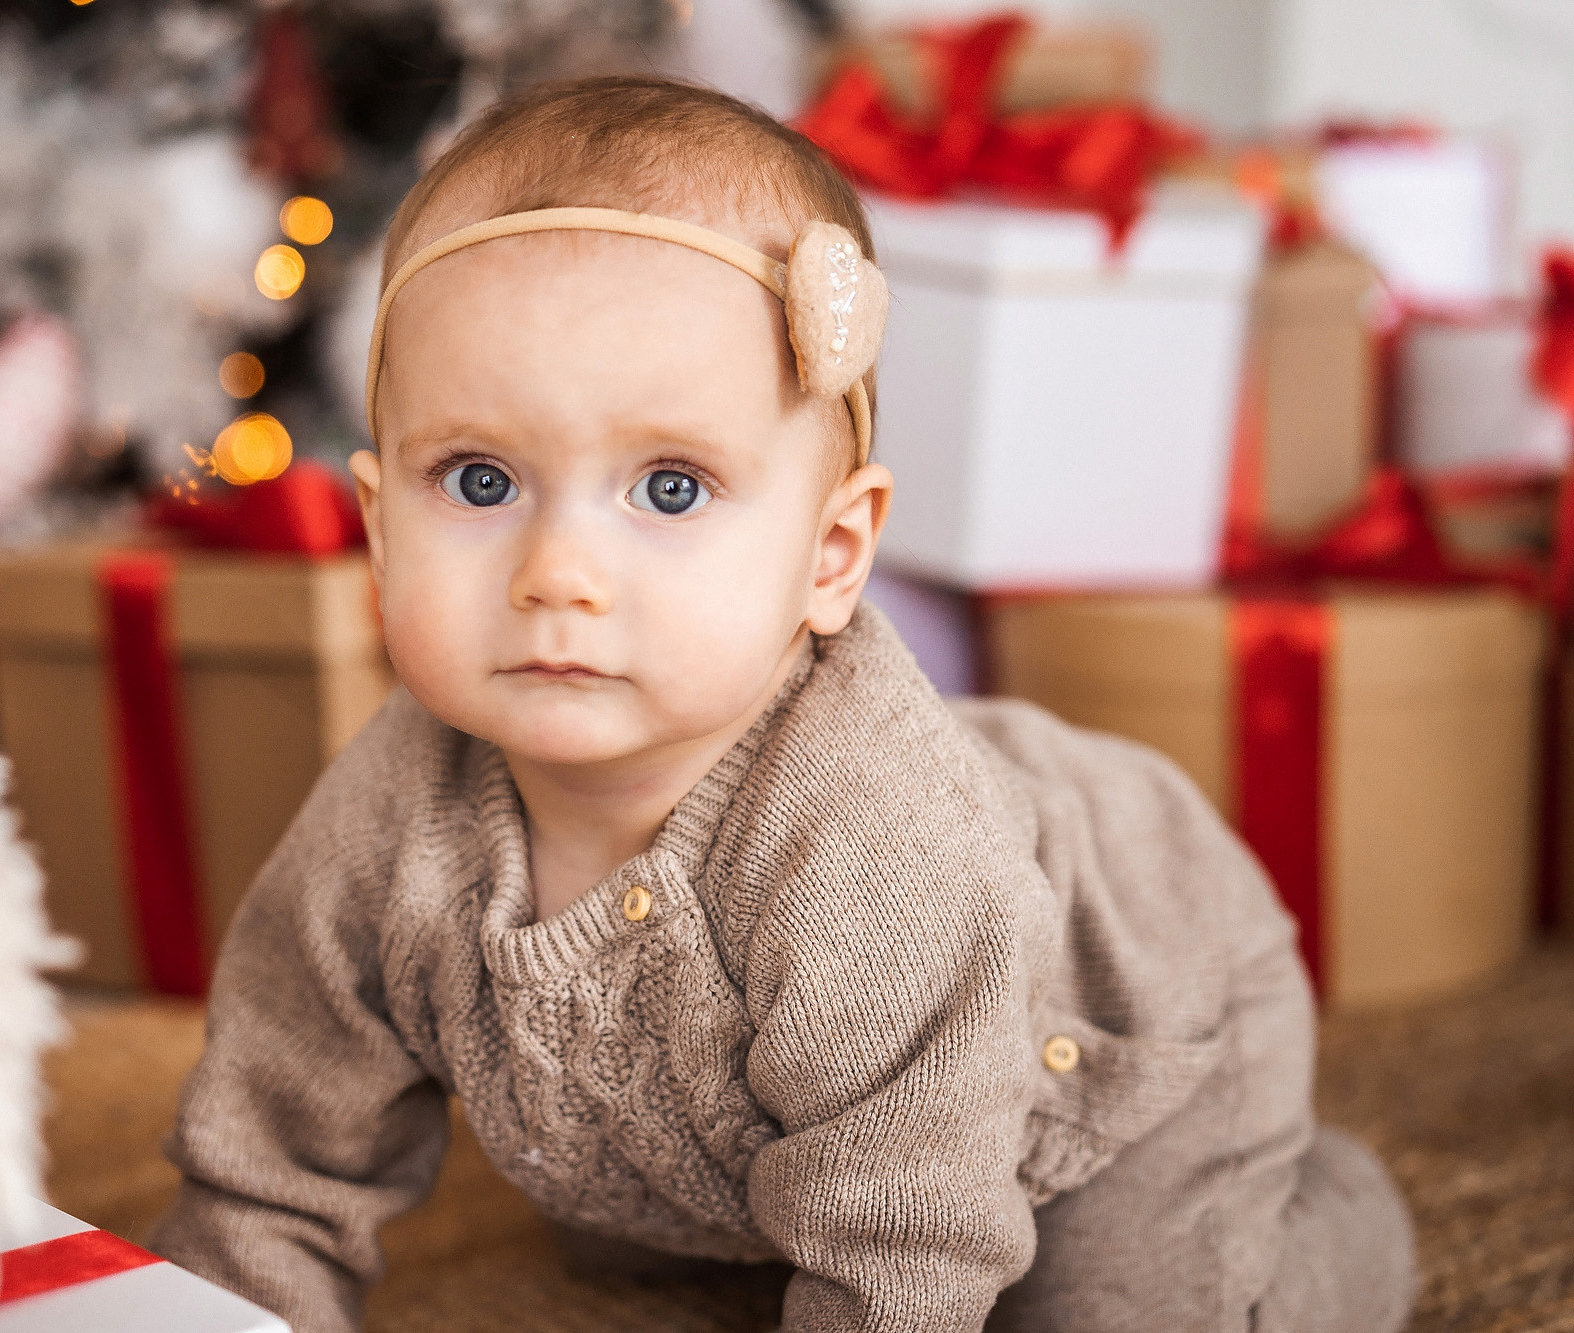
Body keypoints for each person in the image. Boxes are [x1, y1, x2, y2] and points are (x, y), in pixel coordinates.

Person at [147, 76, 1416, 1333]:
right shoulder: (385, 824)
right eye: (479, 479)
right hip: (761, 1089)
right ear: (376, 526)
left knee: (1100, 1306)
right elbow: (271, 1149)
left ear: (828, 552)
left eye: (670, 488)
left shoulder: (874, 857)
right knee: (641, 1243)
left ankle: (1328, 1224)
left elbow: (906, 1246)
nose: (557, 574)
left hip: (1115, 1038)